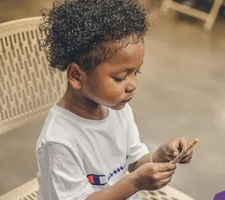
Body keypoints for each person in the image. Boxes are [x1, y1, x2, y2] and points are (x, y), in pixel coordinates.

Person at [36, 0, 193, 199]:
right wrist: (134, 182)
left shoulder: (118, 109)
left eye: (137, 72)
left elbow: (135, 162)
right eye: (120, 77)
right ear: (76, 75)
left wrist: (162, 154)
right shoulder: (58, 141)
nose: (132, 85)